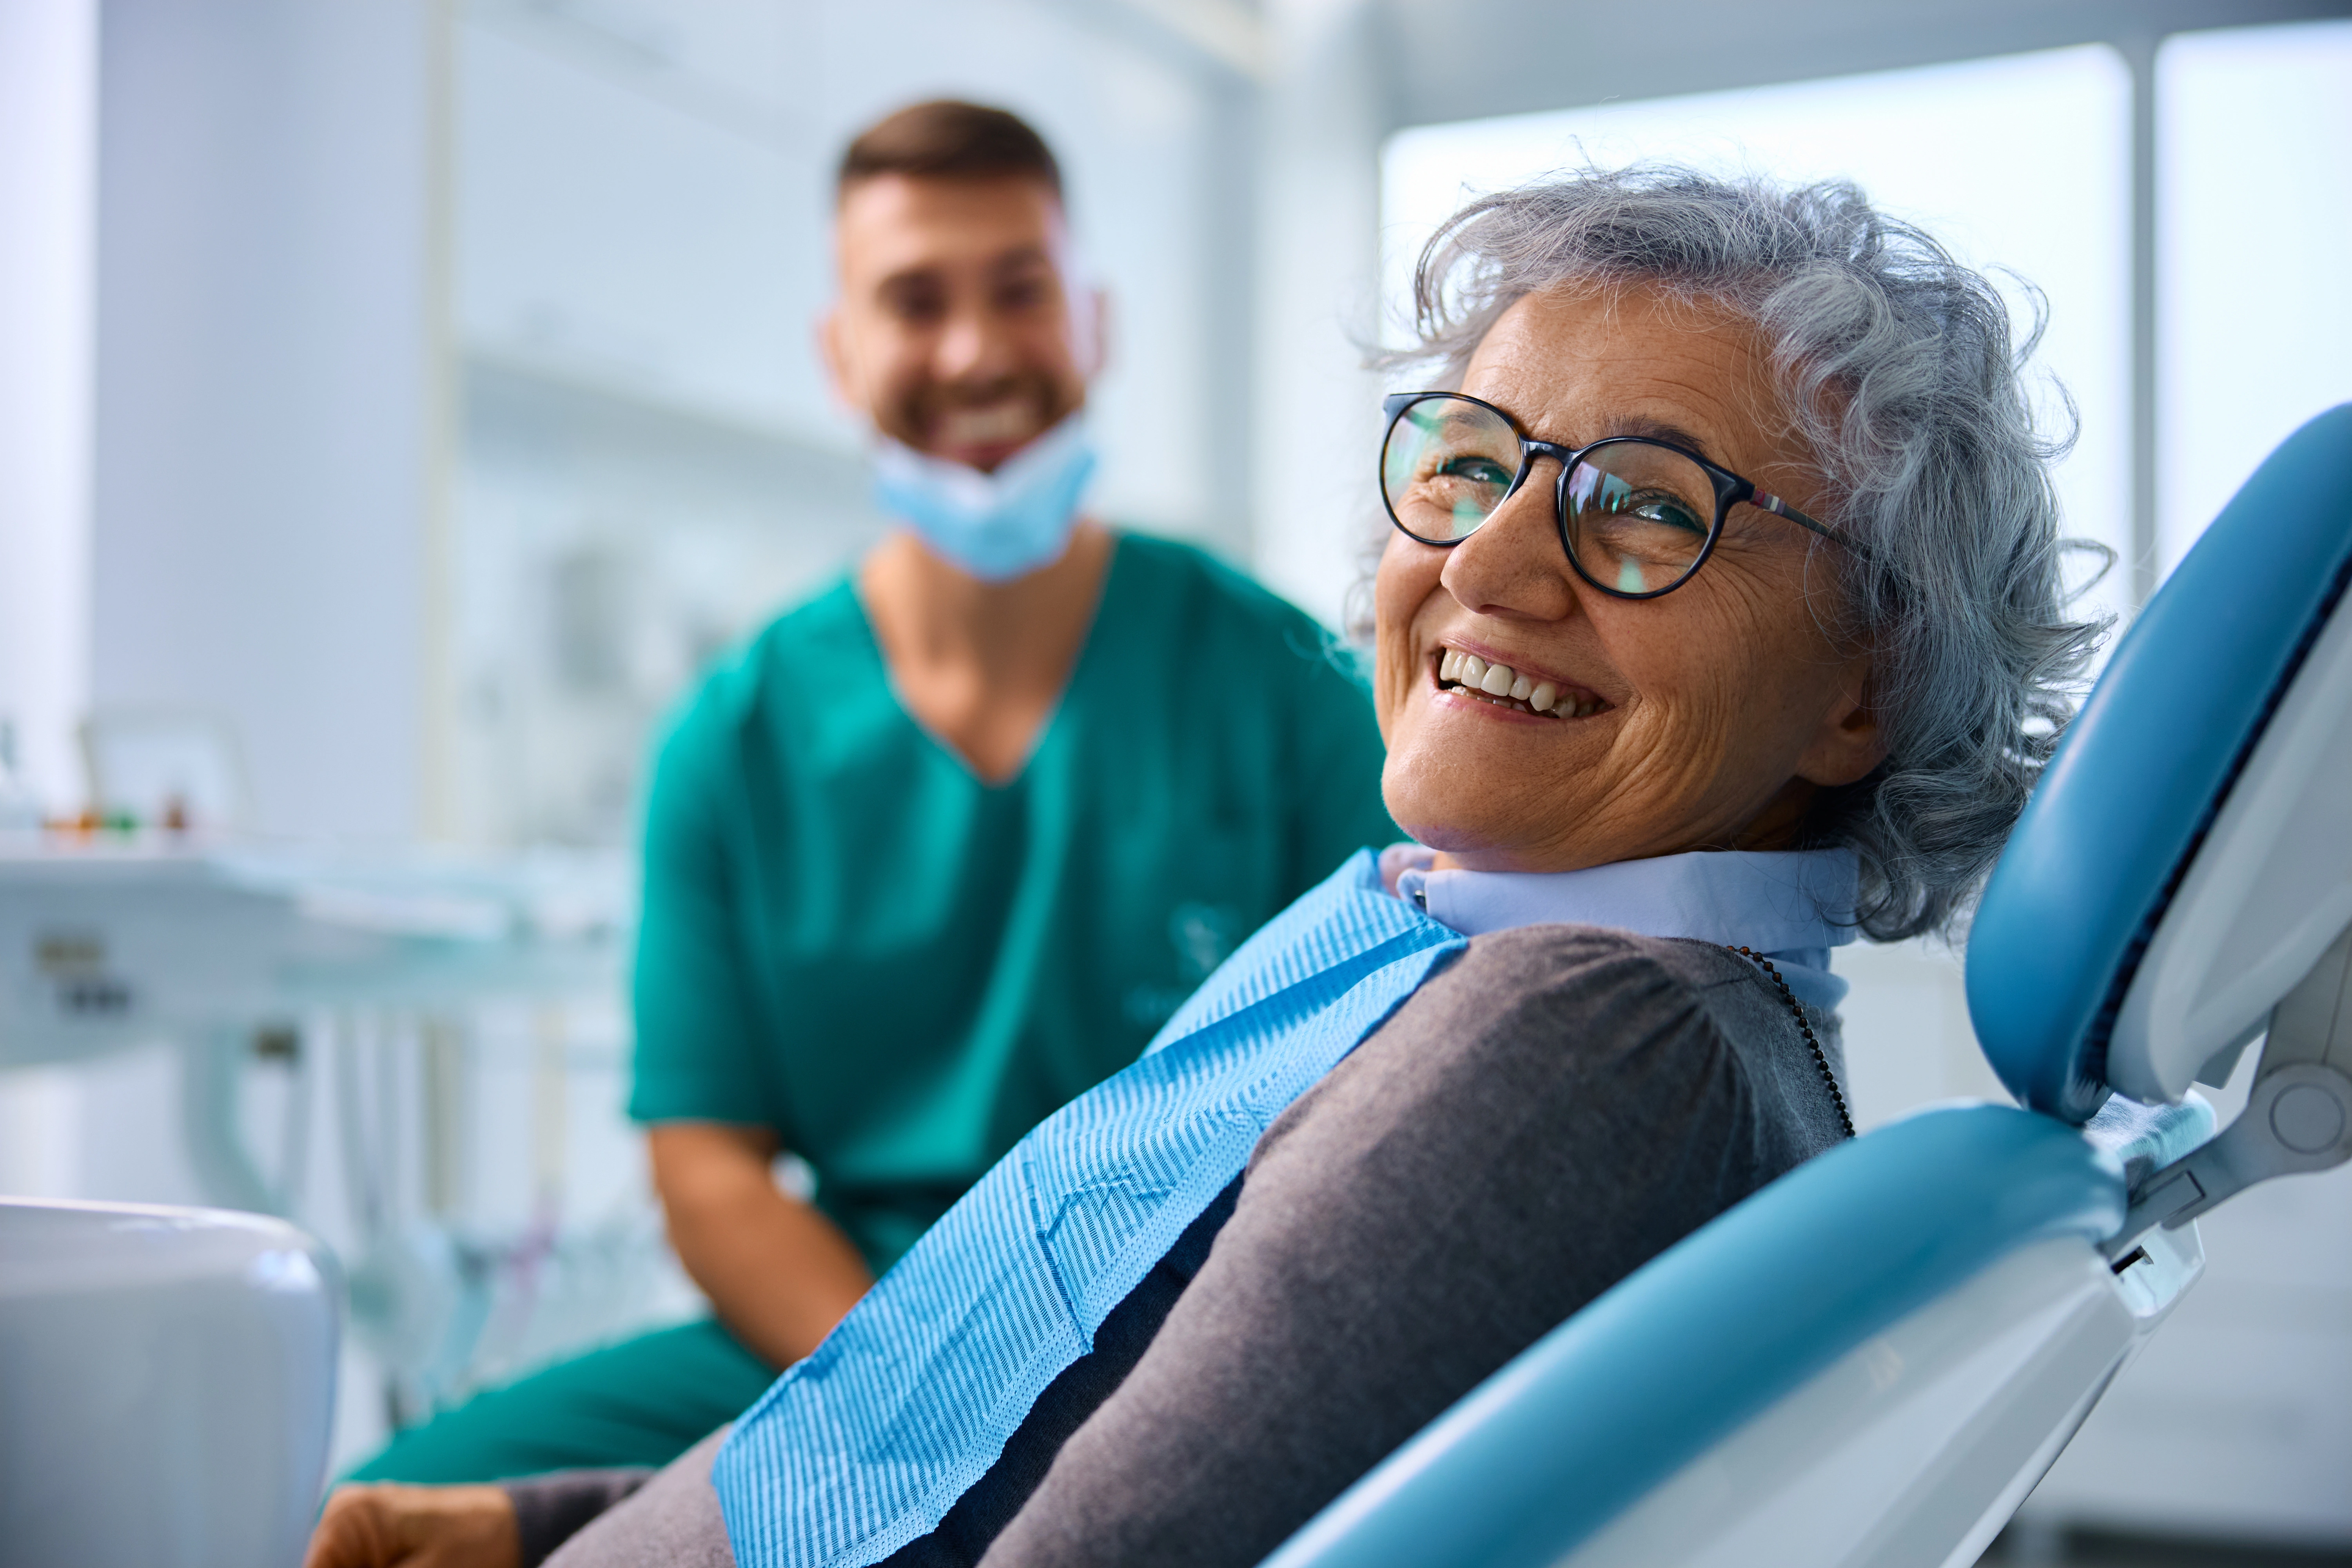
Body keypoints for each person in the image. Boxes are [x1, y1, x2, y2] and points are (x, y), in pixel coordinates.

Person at [308, 164, 2100, 1568]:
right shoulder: (1473, 945)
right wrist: (551, 1526)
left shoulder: (1585, 1040)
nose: (1486, 567)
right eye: (1469, 466)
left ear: (1867, 678)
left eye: (1646, 501)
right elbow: (1022, 1401)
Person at [346, 100, 1397, 1485]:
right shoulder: (735, 740)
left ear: (1096, 323)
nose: (973, 350)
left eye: (1019, 291)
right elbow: (709, 1168)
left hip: (1199, 1314)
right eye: (915, 302)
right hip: (850, 1324)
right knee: (393, 1511)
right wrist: (918, 1399)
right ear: (841, 355)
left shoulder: (1280, 681)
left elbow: (1391, 1072)